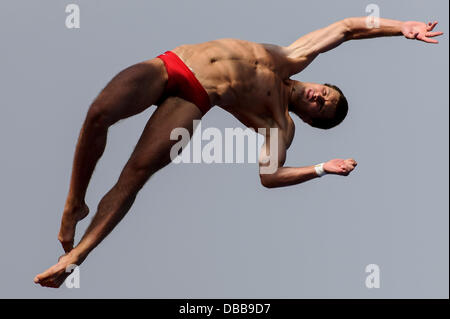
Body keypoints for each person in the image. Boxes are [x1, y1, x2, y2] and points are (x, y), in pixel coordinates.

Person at [34, 17, 443, 287]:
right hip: (172, 64)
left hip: (193, 99)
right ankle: (74, 203)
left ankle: (76, 257)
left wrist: (322, 168)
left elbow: (269, 177)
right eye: (326, 92)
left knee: (135, 176)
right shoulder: (294, 56)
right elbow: (349, 28)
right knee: (98, 113)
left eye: (323, 106)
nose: (319, 97)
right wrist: (400, 27)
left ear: (314, 120)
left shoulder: (280, 124)